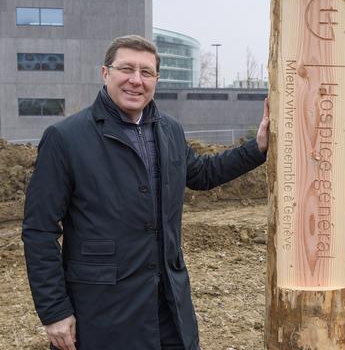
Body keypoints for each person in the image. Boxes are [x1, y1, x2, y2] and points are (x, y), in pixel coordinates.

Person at [22, 35, 270, 350]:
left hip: (168, 304)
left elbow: (203, 173)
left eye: (146, 72)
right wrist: (54, 311)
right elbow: (38, 230)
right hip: (103, 310)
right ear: (105, 73)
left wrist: (258, 146)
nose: (136, 80)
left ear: (156, 79)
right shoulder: (65, 138)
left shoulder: (169, 130)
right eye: (126, 69)